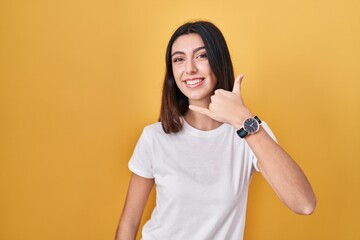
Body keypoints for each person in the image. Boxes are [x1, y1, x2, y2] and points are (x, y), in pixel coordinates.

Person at [115, 21, 316, 240]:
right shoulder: (155, 137)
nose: (190, 68)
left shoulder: (249, 131)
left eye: (201, 56)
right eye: (179, 59)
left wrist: (243, 120)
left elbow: (304, 203)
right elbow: (129, 222)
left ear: (219, 62)